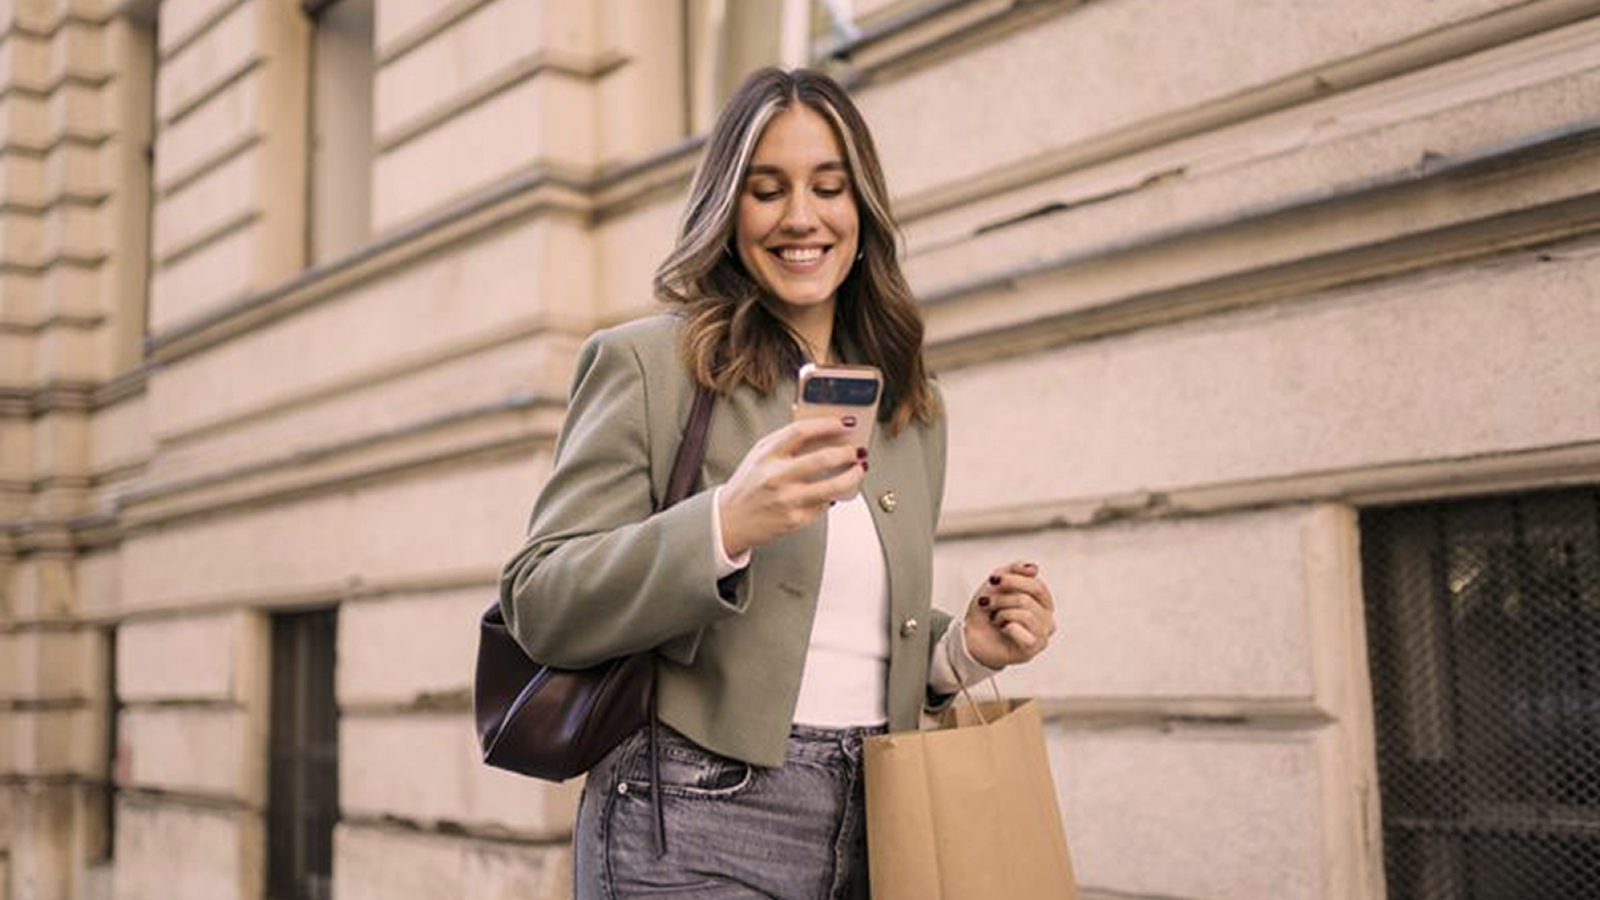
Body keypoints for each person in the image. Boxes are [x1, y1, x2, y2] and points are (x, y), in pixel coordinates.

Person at [498, 67, 1057, 900]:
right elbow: (541, 602)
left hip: (882, 815)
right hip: (690, 818)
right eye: (768, 190)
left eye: (828, 187)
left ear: (862, 211)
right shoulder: (651, 364)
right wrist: (724, 523)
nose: (802, 216)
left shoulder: (908, 406)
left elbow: (842, 629)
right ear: (729, 213)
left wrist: (961, 650)